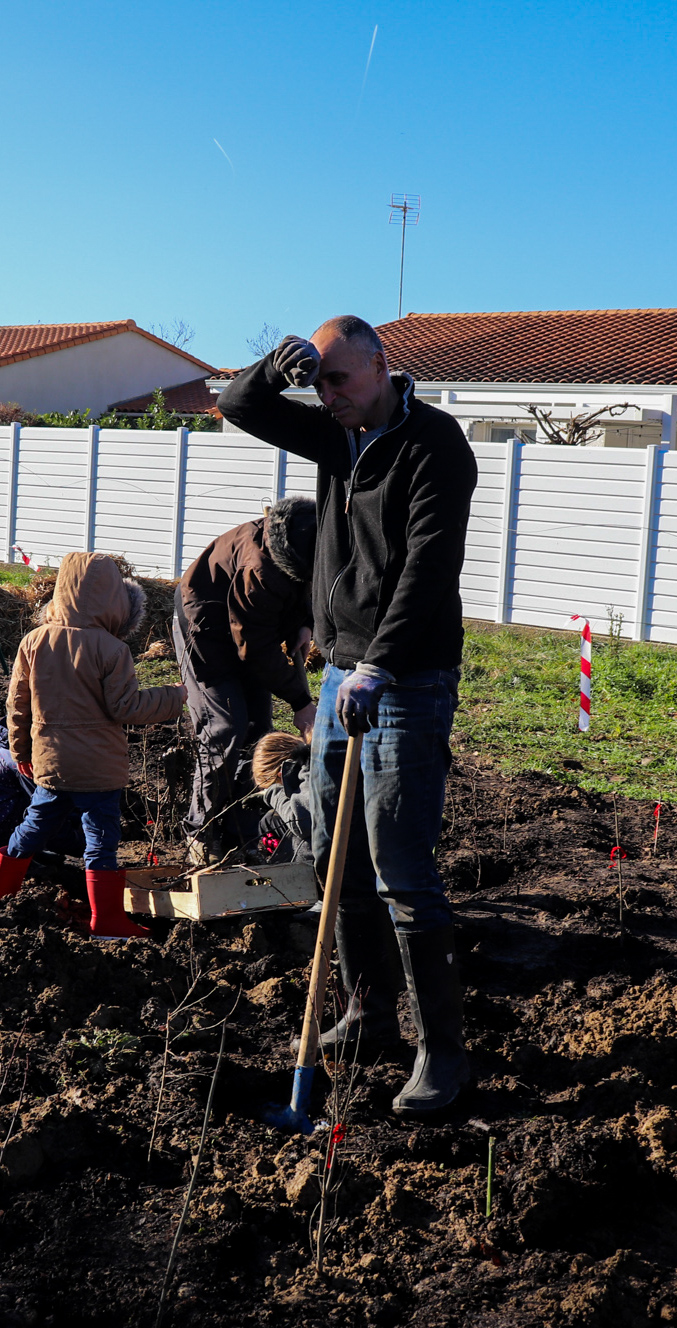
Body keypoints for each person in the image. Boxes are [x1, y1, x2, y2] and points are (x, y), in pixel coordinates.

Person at [218, 316, 477, 1115]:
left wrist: (378, 663)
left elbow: (429, 567)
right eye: (317, 382)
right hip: (340, 677)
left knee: (400, 867)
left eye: (337, 379)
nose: (325, 395)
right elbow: (237, 405)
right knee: (338, 856)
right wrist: (275, 369)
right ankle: (367, 1014)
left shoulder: (433, 445)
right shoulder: (338, 435)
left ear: (380, 365)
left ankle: (441, 1053)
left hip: (405, 680)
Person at [0, 551, 185, 940]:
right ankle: (106, 921)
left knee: (33, 826)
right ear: (115, 599)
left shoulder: (33, 641)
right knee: (101, 841)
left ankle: (0, 896)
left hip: (51, 762)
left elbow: (17, 705)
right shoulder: (112, 649)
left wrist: (20, 751)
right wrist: (174, 696)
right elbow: (126, 707)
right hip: (98, 769)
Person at [172, 497, 317, 863]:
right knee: (225, 726)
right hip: (206, 631)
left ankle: (241, 830)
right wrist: (301, 702)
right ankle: (201, 832)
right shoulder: (260, 568)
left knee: (257, 730)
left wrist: (305, 622)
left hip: (251, 626)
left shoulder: (318, 537)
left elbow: (313, 587)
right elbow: (255, 647)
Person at [0, 718, 86, 915]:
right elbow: (47, 815)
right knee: (46, 813)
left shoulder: (5, 752)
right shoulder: (24, 764)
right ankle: (13, 863)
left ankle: (25, 855)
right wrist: (81, 845)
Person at [251, 731, 313, 865]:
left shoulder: (310, 769)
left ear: (281, 773)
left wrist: (272, 793)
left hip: (343, 854)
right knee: (270, 820)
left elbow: (302, 823)